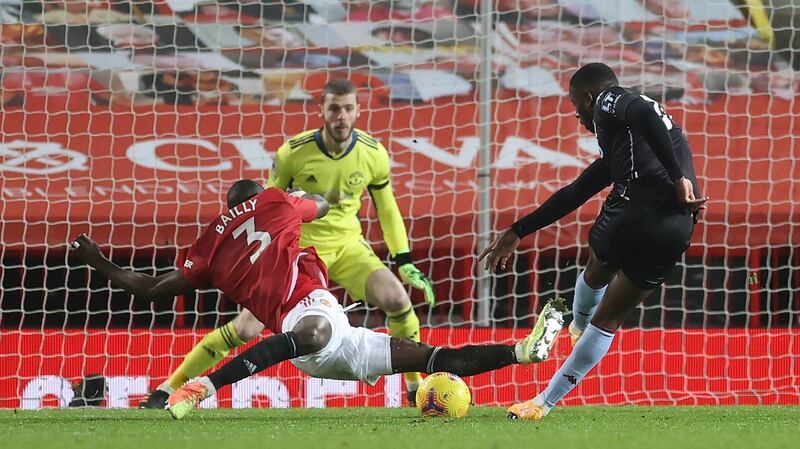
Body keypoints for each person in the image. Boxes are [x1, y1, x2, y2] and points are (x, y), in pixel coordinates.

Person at [70, 180, 565, 419]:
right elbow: (324, 203)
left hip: (327, 343)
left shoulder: (210, 249)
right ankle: (201, 388)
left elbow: (150, 288)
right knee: (319, 330)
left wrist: (97, 261)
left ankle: (523, 351)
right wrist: (301, 195)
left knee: (435, 358)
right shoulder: (277, 200)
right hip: (311, 320)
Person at [139, 79, 436, 409]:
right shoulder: (293, 153)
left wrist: (404, 258)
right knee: (245, 327)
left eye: (348, 108)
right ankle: (168, 388)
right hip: (299, 250)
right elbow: (267, 206)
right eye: (334, 108)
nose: (341, 116)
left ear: (358, 111)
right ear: (321, 110)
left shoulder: (373, 153)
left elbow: (387, 206)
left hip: (348, 246)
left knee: (396, 298)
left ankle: (414, 388)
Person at [479, 63, 708, 420]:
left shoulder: (608, 98)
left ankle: (578, 323)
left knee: (597, 266)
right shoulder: (629, 146)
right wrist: (518, 230)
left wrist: (678, 178)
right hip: (678, 225)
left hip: (634, 210)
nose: (577, 115)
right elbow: (577, 191)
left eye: (576, 105)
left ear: (589, 97)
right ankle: (543, 403)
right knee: (610, 321)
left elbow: (644, 110)